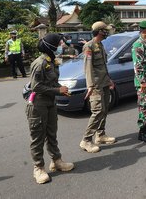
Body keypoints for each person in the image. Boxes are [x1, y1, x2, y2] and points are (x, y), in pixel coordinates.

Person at [26, 33, 74, 184]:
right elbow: (36, 86)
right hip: (38, 104)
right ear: (52, 47)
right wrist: (57, 91)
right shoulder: (39, 63)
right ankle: (38, 168)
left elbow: (52, 83)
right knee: (38, 137)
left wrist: (62, 89)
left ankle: (56, 161)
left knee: (52, 133)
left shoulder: (52, 61)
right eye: (60, 44)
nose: (62, 46)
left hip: (50, 103)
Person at [80, 21, 116, 153]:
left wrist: (109, 80)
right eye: (105, 30)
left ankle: (100, 135)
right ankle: (86, 140)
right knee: (97, 111)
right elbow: (88, 68)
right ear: (100, 32)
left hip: (104, 82)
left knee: (105, 109)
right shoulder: (89, 46)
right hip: (95, 84)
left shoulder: (100, 45)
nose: (107, 32)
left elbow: (103, 66)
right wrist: (90, 85)